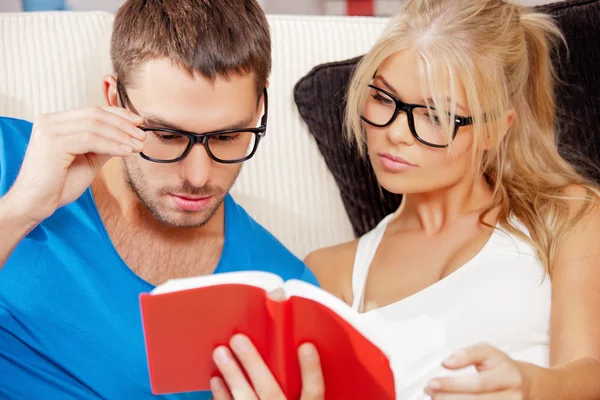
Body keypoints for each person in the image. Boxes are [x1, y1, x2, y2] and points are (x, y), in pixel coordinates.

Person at [207, 0, 600, 399]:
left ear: (495, 130)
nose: (395, 132)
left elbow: (590, 373)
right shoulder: (332, 273)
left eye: (435, 114)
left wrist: (531, 386)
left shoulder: (565, 213)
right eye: (383, 98)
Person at [0, 0, 318, 399]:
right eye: (167, 136)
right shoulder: (8, 155)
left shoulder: (284, 290)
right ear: (114, 99)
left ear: (258, 109)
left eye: (226, 137)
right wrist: (20, 209)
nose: (198, 177)